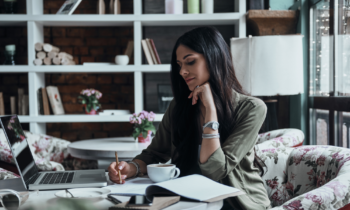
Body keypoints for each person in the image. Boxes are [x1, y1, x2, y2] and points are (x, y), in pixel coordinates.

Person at [108, 26, 271, 210]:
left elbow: (215, 170)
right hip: (188, 201)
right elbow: (154, 153)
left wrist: (210, 108)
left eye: (190, 62)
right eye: (179, 65)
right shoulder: (179, 107)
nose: (182, 71)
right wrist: (131, 168)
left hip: (237, 204)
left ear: (214, 58)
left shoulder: (252, 108)